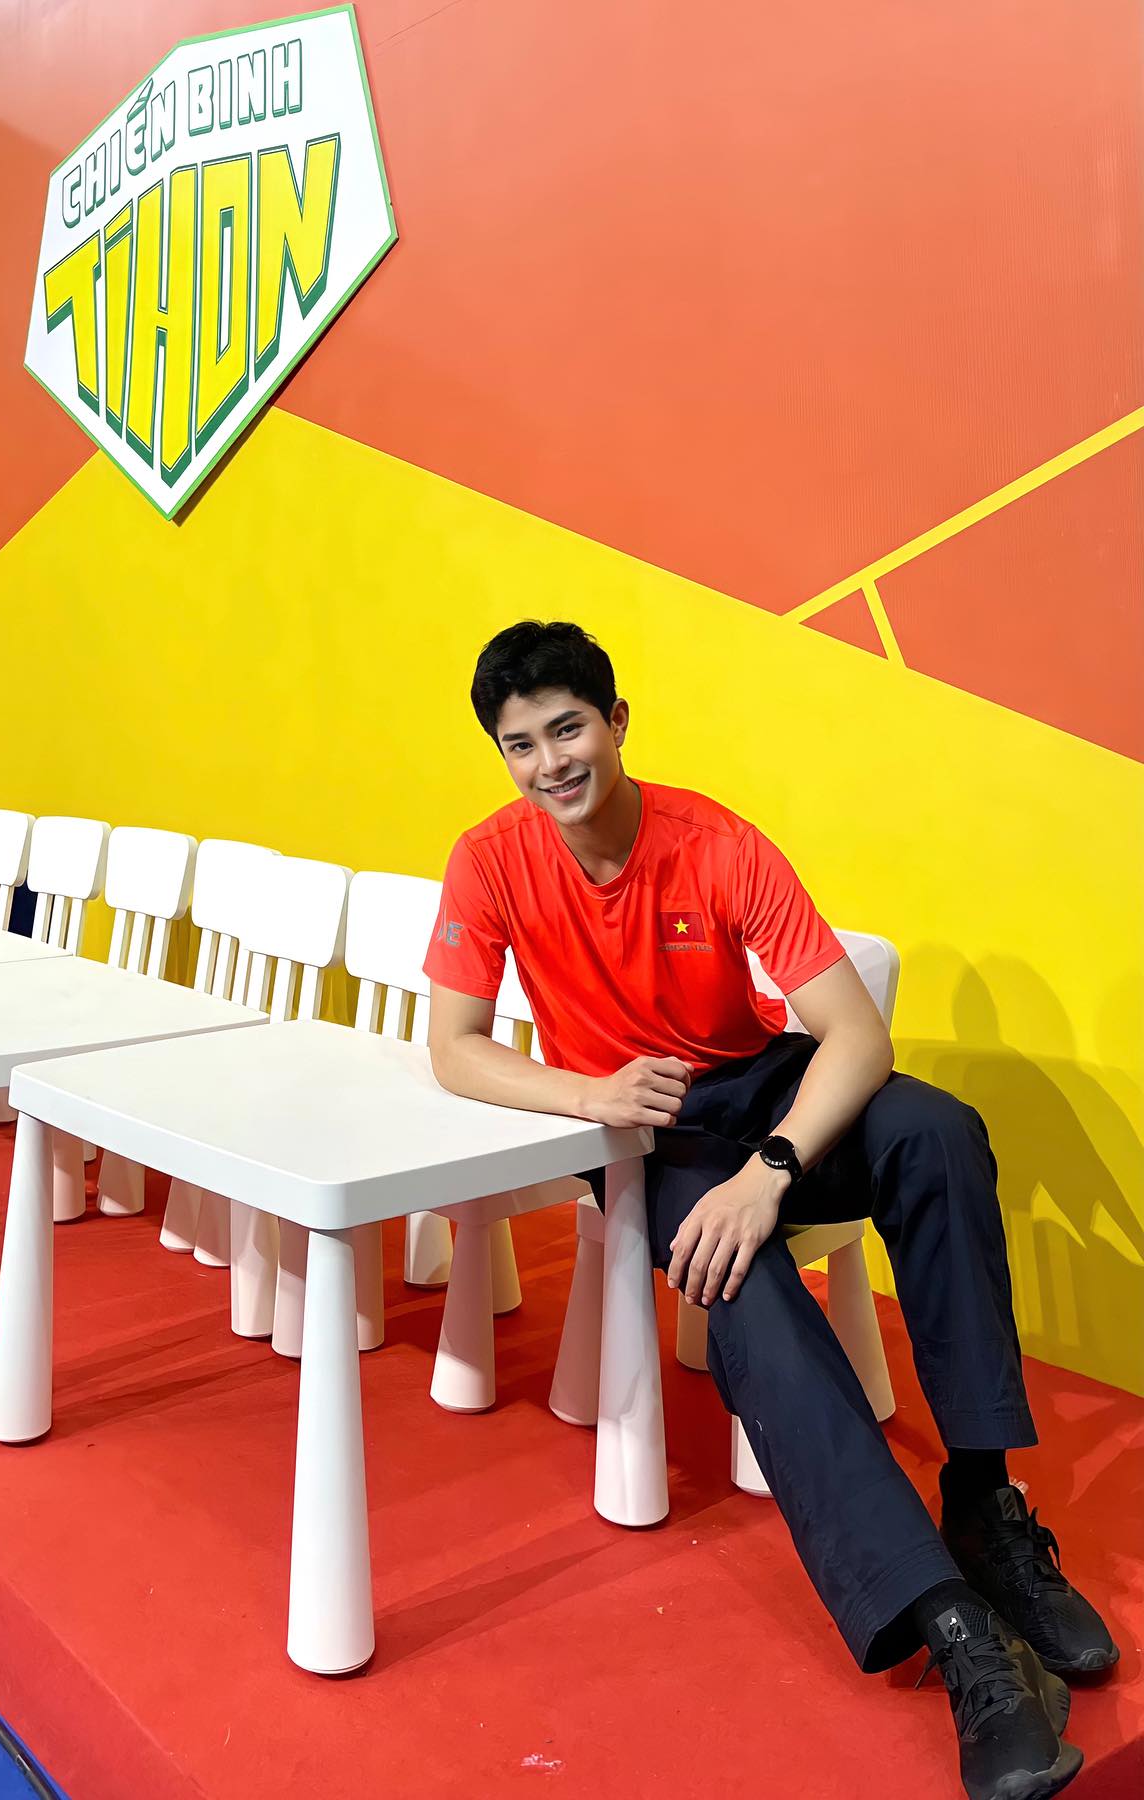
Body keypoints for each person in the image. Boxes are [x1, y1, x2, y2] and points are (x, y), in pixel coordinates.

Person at [423, 620, 1116, 1800]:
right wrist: (589, 1092)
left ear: (616, 721)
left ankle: (984, 1504)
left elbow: (857, 1035)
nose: (549, 764)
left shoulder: (715, 843)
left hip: (759, 1091)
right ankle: (949, 1623)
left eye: (567, 729)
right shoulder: (490, 860)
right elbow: (455, 1047)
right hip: (640, 1127)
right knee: (729, 1270)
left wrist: (775, 1169)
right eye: (520, 744)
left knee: (938, 1130)